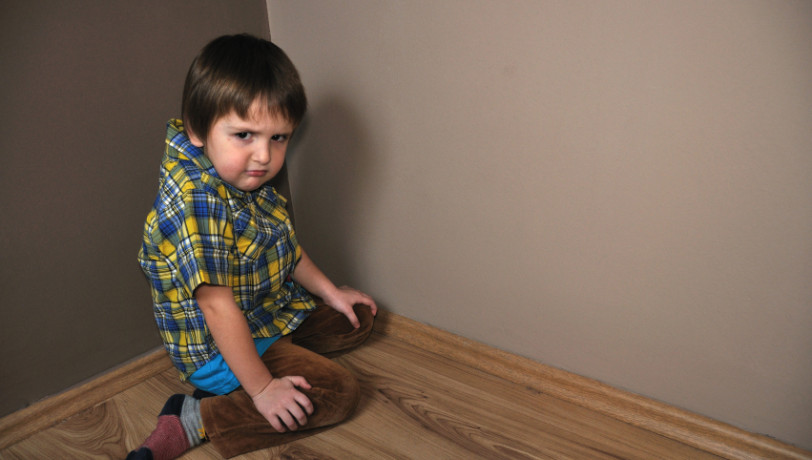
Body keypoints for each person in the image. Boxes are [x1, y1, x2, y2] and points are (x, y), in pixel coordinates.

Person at [129, 34, 377, 459]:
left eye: (278, 138)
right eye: (245, 134)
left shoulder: (244, 175)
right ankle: (196, 417)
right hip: (216, 341)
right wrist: (262, 389)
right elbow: (216, 307)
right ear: (196, 128)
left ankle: (280, 360)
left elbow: (286, 246)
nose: (263, 155)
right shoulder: (195, 201)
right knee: (338, 393)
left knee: (356, 318)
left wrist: (331, 292)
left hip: (262, 310)